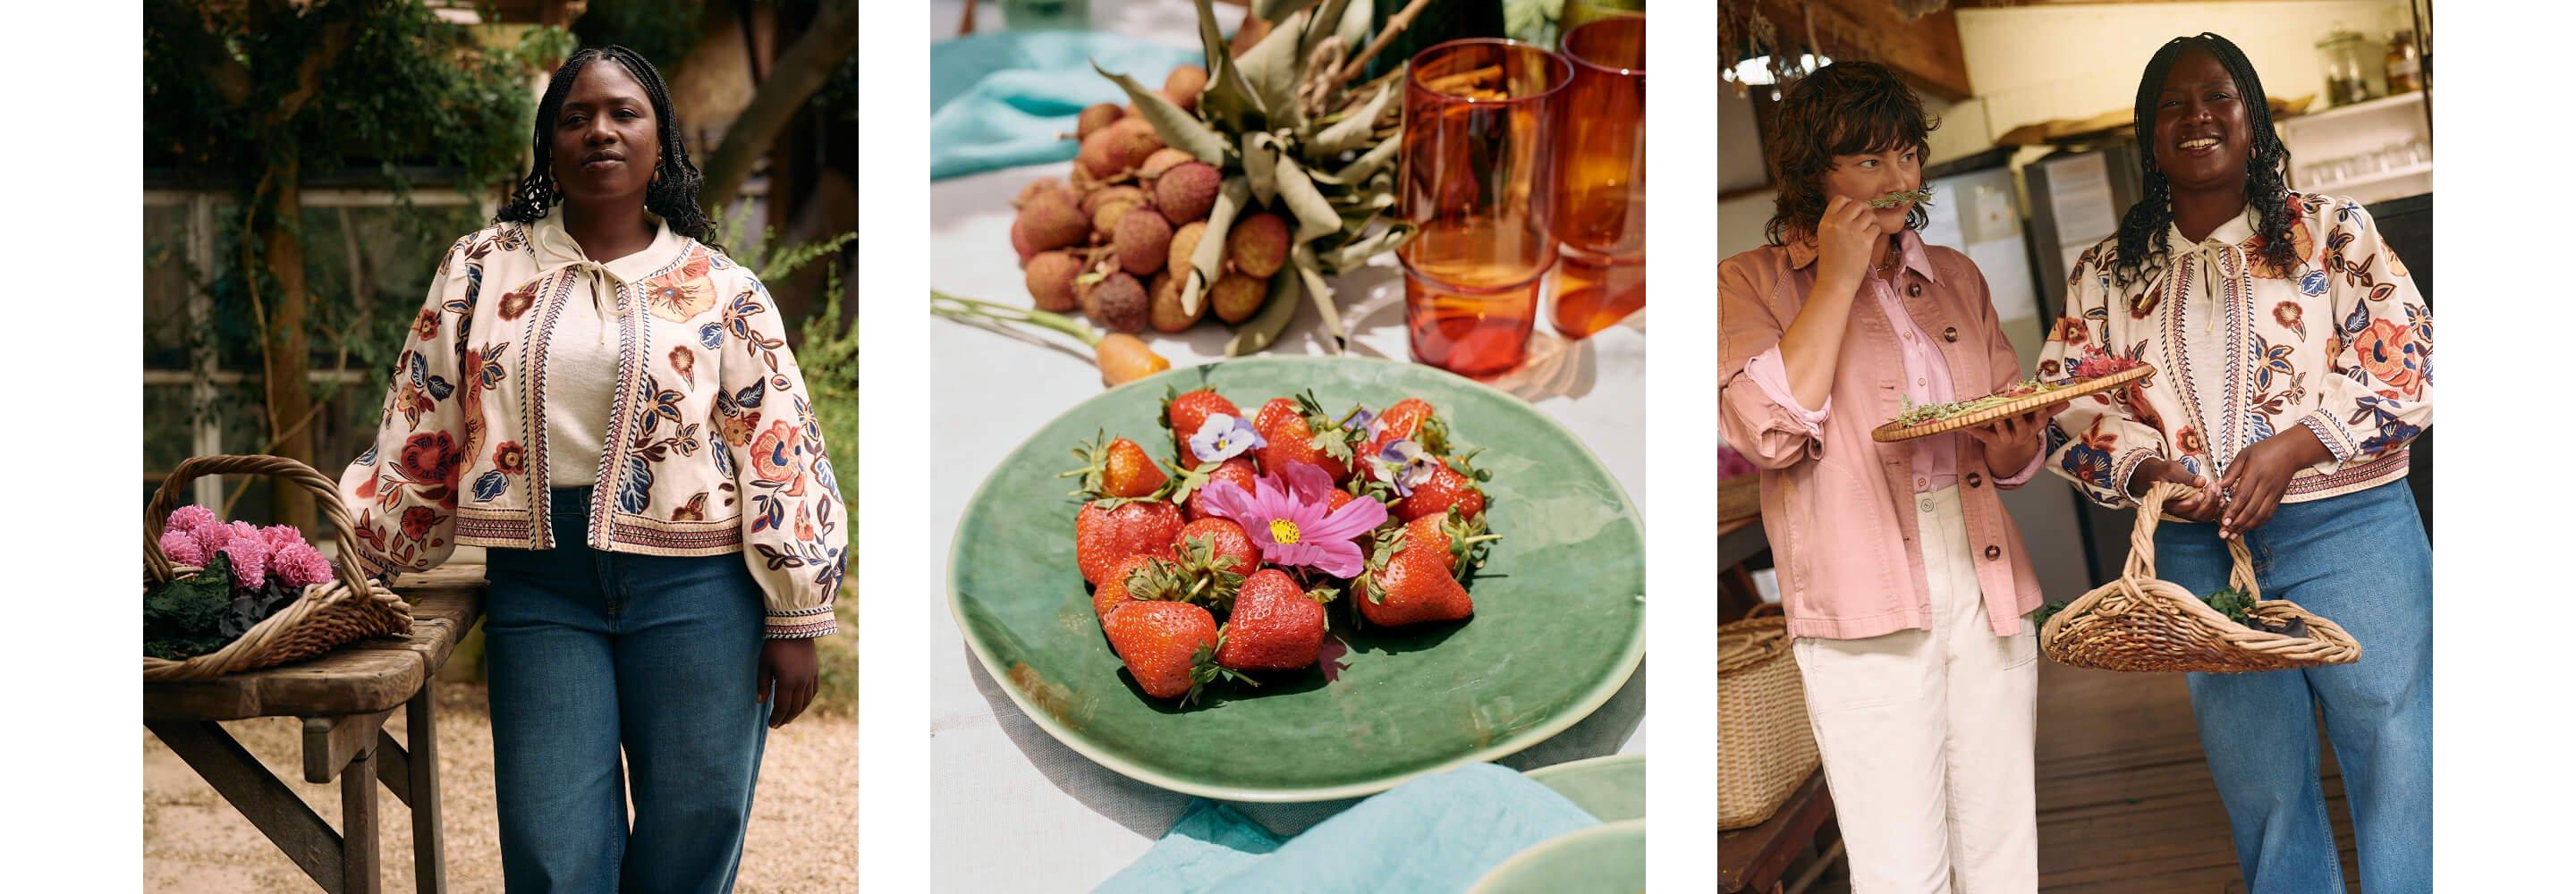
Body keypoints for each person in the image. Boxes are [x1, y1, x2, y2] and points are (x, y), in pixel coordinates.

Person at [336, 46, 846, 892]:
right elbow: (423, 414)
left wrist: (797, 613)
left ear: (661, 142)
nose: (600, 131)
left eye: (623, 113)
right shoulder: (481, 267)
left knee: (696, 829)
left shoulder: (722, 287)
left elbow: (778, 441)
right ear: (550, 143)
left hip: (699, 592)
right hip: (543, 588)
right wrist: (370, 559)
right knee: (552, 847)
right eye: (576, 117)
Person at [2038, 33, 2432, 893]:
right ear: (2148, 136)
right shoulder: (2105, 275)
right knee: (2260, 779)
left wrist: (2293, 449)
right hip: (2198, 553)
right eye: (2173, 105)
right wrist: (2150, 474)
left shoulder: (2333, 233)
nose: (2198, 117)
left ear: (2252, 117)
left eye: (2218, 96)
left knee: (2396, 745)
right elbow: (2067, 408)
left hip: (2351, 531)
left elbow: (2410, 362)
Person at [1718, 61, 2059, 891]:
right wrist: (1838, 275)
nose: (1897, 178)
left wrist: (2014, 441)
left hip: (1983, 574)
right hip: (1857, 588)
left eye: (1906, 155)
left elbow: (2010, 446)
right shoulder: (1746, 283)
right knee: (1901, 865)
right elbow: (1768, 433)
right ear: (1814, 173)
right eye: (1868, 160)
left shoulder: (1956, 277)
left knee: (2003, 847)